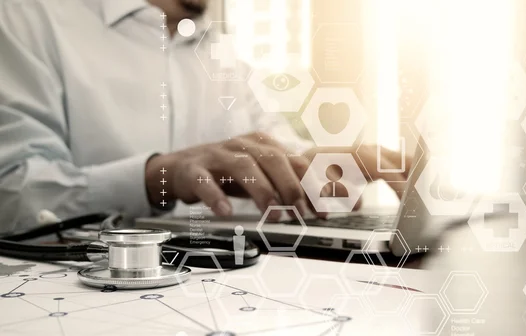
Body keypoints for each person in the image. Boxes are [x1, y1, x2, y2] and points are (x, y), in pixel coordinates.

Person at [0, 0, 408, 233]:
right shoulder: (24, 19)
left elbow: (267, 149)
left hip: (223, 305)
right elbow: (13, 196)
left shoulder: (220, 50)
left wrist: (327, 165)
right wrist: (160, 176)